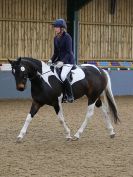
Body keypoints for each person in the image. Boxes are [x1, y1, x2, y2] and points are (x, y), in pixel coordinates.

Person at [48, 18, 75, 103]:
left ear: (62, 28)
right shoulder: (55, 38)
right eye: (55, 27)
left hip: (68, 61)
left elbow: (69, 52)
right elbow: (56, 53)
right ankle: (61, 95)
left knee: (63, 76)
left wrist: (62, 61)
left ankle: (70, 95)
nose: (55, 28)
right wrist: (51, 60)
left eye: (56, 27)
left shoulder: (67, 37)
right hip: (59, 61)